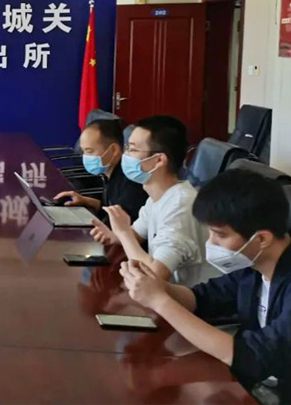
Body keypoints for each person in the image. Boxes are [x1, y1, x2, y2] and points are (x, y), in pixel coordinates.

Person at [121, 169, 291, 404]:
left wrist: (160, 301)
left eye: (220, 235)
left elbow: (253, 356)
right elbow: (202, 299)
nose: (211, 243)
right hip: (258, 386)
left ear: (262, 239)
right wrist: (157, 285)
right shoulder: (255, 265)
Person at [90, 115, 216, 287]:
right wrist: (114, 235)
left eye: (132, 149)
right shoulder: (159, 196)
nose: (125, 155)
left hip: (189, 300)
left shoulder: (180, 206)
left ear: (158, 160)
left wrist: (123, 233)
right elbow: (136, 234)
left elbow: (154, 275)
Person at [54, 119, 148, 222]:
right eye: (83, 151)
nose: (85, 157)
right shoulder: (112, 174)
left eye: (89, 151)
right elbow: (111, 209)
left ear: (113, 150)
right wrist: (87, 202)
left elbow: (119, 222)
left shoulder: (130, 182)